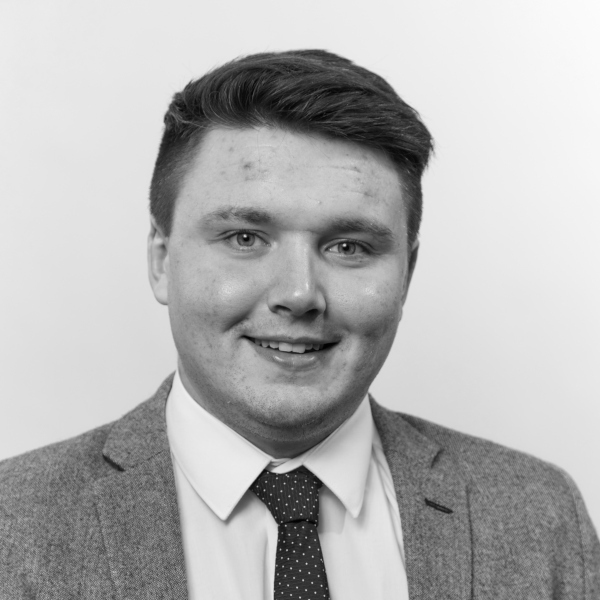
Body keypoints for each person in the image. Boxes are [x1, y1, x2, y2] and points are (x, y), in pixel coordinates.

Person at [0, 49, 598, 599]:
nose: (298, 294)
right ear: (161, 260)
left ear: (407, 274)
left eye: (349, 247)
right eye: (245, 238)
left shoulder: (540, 515)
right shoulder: (14, 524)